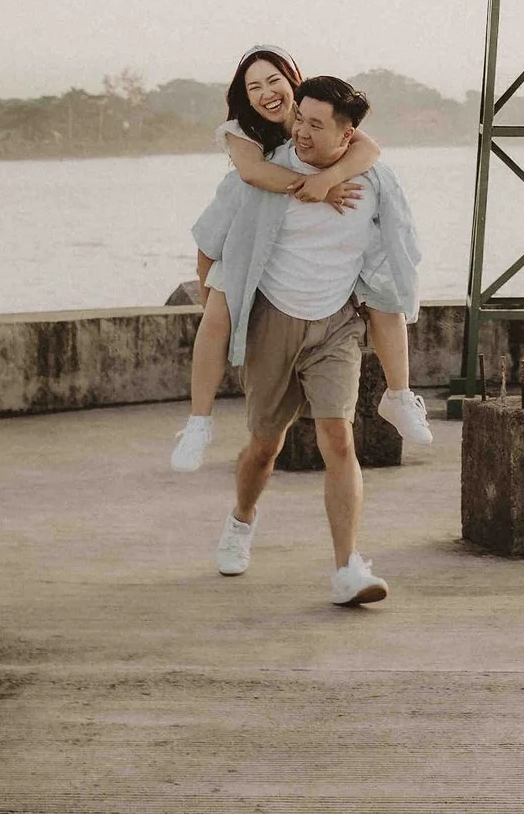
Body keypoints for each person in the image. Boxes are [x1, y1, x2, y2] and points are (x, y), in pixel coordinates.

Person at [193, 74, 422, 605]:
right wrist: (222, 309)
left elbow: (395, 251)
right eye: (300, 119)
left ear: (347, 138)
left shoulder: (375, 182)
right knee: (265, 446)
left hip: (336, 324)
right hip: (274, 319)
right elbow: (209, 242)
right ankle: (241, 521)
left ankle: (348, 568)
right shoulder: (263, 174)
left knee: (339, 438)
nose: (301, 131)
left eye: (316, 125)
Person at [170, 47, 434, 471]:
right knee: (217, 308)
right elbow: (253, 174)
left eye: (274, 80)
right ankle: (199, 422)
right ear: (244, 95)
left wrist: (329, 177)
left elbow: (368, 149)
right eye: (253, 86)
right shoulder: (241, 129)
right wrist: (319, 187)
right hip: (250, 213)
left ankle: (399, 394)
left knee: (384, 291)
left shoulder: (310, 111)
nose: (267, 92)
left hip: (299, 225)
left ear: (292, 80)